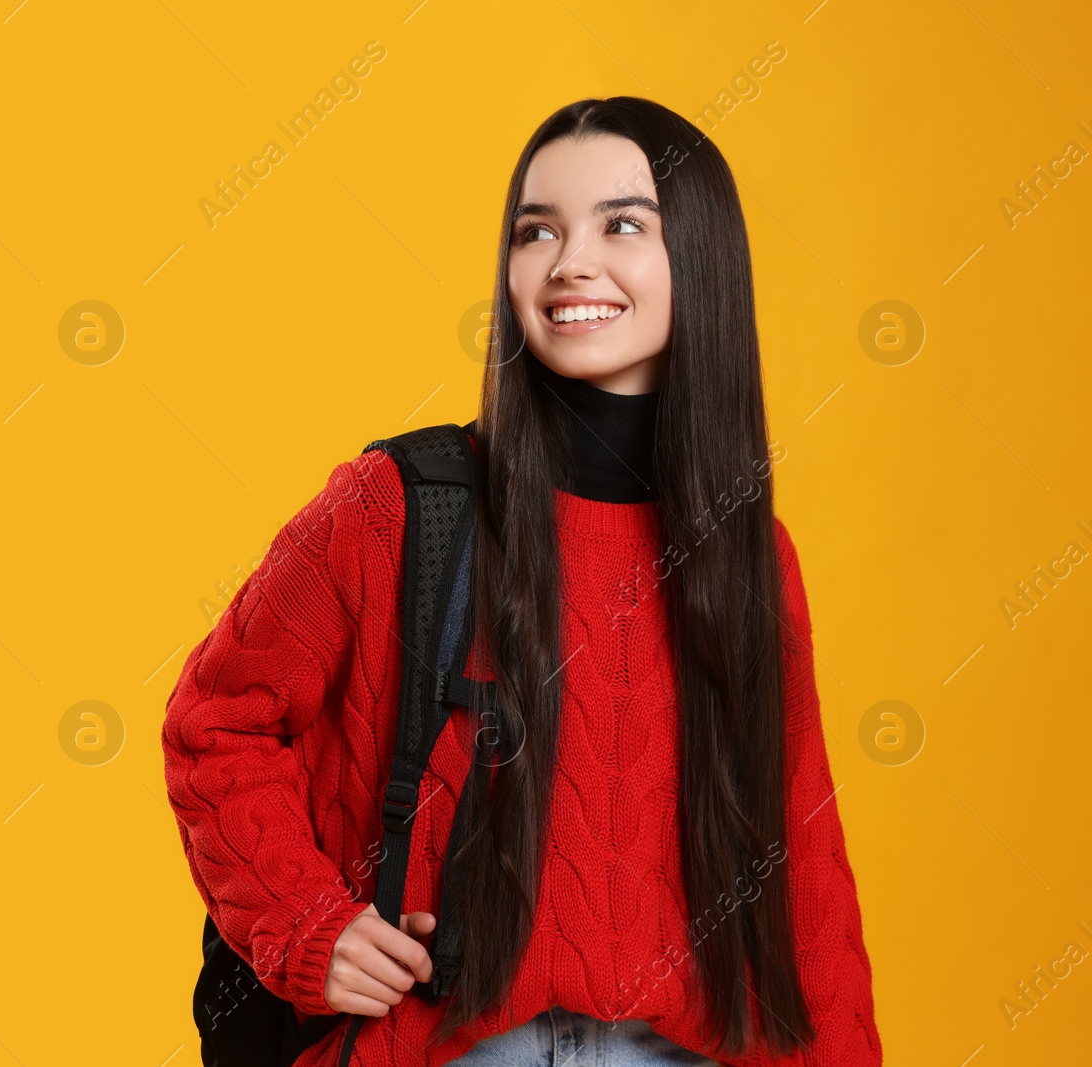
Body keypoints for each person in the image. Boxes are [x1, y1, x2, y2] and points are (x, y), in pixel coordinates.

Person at [162, 96, 882, 1067]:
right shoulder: (398, 506)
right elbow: (216, 718)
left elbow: (800, 870)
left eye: (620, 224)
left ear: (700, 259)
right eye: (536, 229)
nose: (568, 261)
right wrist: (307, 923)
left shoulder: (751, 552)